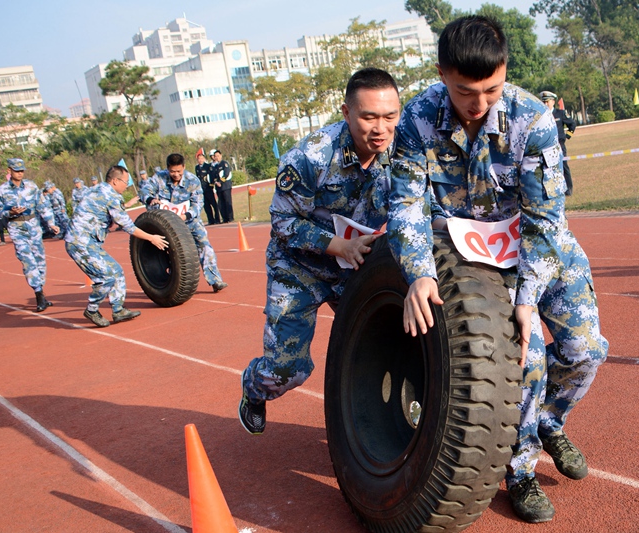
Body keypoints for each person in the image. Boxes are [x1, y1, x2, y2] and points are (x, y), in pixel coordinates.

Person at [386, 16, 608, 524]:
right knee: (525, 359)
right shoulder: (418, 119)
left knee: (586, 350)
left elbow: (545, 219)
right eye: (465, 91)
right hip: (469, 254)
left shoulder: (533, 117)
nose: (479, 104)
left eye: (492, 88)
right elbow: (404, 206)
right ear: (442, 73)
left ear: (505, 71)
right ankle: (521, 471)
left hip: (534, 244)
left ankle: (550, 421)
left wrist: (529, 297)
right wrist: (419, 272)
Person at [238, 67, 401, 435]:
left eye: (390, 116)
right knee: (286, 371)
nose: (380, 128)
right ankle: (254, 388)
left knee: (388, 344)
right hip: (299, 268)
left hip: (355, 265)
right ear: (346, 112)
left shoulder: (402, 150)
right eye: (368, 117)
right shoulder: (311, 157)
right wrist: (337, 245)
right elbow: (282, 222)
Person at [65, 165, 168, 327]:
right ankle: (92, 309)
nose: (126, 185)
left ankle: (118, 310)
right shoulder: (111, 197)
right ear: (114, 181)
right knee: (105, 277)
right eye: (125, 182)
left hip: (87, 241)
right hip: (80, 242)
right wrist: (151, 238)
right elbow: (128, 226)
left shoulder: (97, 189)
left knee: (117, 271)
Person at [143, 153, 228, 293]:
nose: (175, 174)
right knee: (169, 252)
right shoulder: (159, 178)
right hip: (166, 222)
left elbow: (198, 203)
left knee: (204, 245)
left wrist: (186, 215)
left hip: (189, 220)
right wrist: (150, 199)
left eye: (178, 171)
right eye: (172, 171)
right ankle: (169, 283)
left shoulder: (192, 180)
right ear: (167, 168)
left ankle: (215, 280)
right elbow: (145, 190)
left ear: (184, 167)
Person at [0, 158, 60, 312]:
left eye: (22, 170)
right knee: (27, 261)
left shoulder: (31, 186)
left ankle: (41, 292)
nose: (20, 173)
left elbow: (42, 205)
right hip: (17, 228)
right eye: (16, 170)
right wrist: (10, 212)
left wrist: (51, 223)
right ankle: (38, 294)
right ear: (9, 171)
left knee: (40, 261)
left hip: (34, 227)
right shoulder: (2, 190)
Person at [540, 91, 576, 196]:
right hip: (546, 146)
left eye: (547, 101)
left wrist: (567, 135)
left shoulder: (560, 113)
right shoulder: (541, 115)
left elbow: (572, 124)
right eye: (544, 102)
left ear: (553, 101)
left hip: (559, 145)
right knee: (548, 168)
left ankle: (568, 188)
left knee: (564, 166)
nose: (545, 104)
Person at [195, 150, 220, 225]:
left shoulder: (208, 166)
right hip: (201, 189)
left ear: (204, 159)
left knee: (213, 204)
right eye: (199, 159)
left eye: (202, 158)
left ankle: (217, 219)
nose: (200, 160)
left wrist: (212, 184)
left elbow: (211, 176)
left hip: (208, 188)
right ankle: (210, 220)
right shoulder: (197, 167)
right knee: (206, 205)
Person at [209, 149, 233, 223]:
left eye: (218, 156)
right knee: (221, 203)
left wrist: (220, 182)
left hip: (225, 186)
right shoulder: (215, 166)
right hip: (218, 188)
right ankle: (225, 218)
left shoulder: (224, 163)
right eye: (215, 156)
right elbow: (214, 176)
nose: (217, 157)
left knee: (227, 201)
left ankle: (230, 218)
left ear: (221, 155)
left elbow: (226, 173)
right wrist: (215, 182)